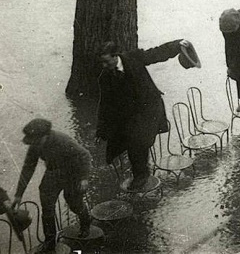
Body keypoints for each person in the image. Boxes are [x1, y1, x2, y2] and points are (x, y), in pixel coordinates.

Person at [97, 38, 195, 190]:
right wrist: (101, 130)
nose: (104, 66)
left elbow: (157, 53)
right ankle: (141, 172)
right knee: (129, 140)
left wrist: (177, 45)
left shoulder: (134, 57)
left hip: (149, 108)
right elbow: (105, 104)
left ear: (116, 56)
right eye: (102, 63)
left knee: (138, 140)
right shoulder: (105, 77)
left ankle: (141, 175)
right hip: (130, 113)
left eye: (106, 61)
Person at [13, 119, 92, 252]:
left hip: (73, 172)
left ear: (45, 136)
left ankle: (86, 222)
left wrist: (83, 178)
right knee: (47, 207)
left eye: (36, 140)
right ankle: (50, 242)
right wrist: (18, 195)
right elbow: (28, 169)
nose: (34, 143)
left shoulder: (63, 140)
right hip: (53, 172)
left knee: (74, 203)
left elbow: (85, 155)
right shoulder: (35, 145)